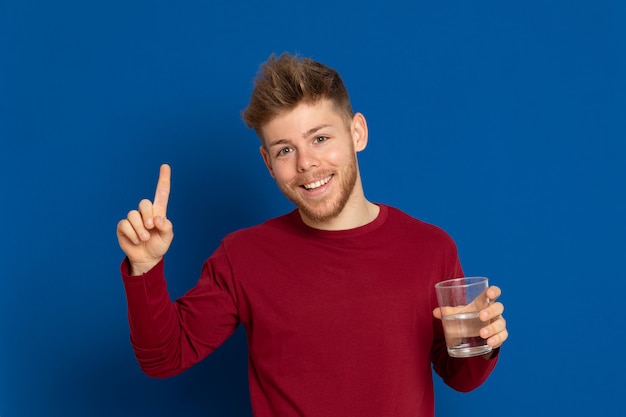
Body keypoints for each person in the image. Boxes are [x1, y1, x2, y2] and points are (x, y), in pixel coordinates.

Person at [117, 53, 508, 416]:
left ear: (357, 133)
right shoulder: (242, 256)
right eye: (285, 150)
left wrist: (484, 341)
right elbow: (163, 358)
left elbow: (462, 376)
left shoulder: (430, 248)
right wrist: (145, 268)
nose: (306, 163)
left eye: (320, 138)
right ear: (268, 163)